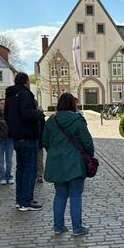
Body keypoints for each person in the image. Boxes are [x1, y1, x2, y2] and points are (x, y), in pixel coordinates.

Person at [43, 93, 94, 237]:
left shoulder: (51, 121)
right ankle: (77, 228)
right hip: (75, 162)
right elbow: (87, 142)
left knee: (59, 195)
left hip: (57, 162)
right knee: (75, 195)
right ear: (73, 104)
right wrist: (89, 155)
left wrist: (54, 153)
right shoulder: (78, 120)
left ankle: (58, 227)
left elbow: (45, 141)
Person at [5, 72, 45, 211]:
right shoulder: (24, 94)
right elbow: (27, 114)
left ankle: (20, 199)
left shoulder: (10, 96)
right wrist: (39, 112)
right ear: (26, 82)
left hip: (16, 137)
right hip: (28, 137)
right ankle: (26, 201)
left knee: (21, 169)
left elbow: (7, 116)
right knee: (29, 169)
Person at [35, 100, 46, 183]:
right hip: (31, 140)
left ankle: (39, 175)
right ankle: (35, 175)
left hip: (38, 140)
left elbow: (43, 129)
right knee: (36, 159)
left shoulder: (40, 116)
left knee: (39, 159)